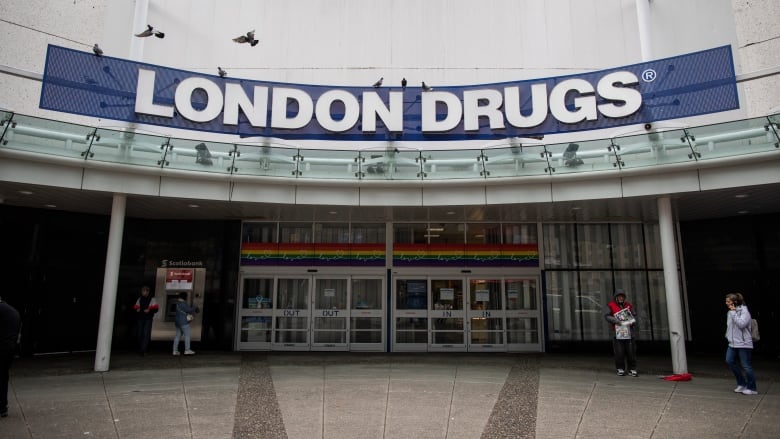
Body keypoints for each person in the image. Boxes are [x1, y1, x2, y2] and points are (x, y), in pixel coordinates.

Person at [724, 293, 757, 395]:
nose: (726, 303)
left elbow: (742, 324)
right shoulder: (730, 312)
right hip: (732, 343)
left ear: (735, 302)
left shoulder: (744, 311)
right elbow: (730, 326)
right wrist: (728, 336)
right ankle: (741, 384)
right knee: (729, 361)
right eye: (726, 301)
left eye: (728, 301)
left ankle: (752, 388)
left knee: (746, 365)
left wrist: (734, 313)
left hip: (744, 343)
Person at [604, 289, 638, 377]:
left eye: (622, 297)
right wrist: (615, 321)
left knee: (631, 352)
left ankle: (632, 369)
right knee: (619, 352)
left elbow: (634, 315)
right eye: (619, 296)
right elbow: (607, 316)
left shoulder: (629, 305)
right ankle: (620, 368)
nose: (621, 298)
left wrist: (633, 321)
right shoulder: (610, 305)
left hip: (629, 333)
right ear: (616, 297)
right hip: (618, 333)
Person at [0, 297, 21, 418]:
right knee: (3, 377)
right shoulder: (13, 311)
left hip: (1, 348)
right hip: (10, 349)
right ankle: (3, 407)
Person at [133, 286, 159, 355]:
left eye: (144, 291)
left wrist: (149, 311)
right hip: (140, 318)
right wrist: (136, 310)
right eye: (142, 291)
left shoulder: (152, 299)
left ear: (147, 292)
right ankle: (143, 348)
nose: (143, 292)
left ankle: (143, 350)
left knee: (146, 334)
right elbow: (135, 307)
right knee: (139, 334)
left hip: (148, 318)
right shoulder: (139, 299)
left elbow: (156, 309)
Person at [172, 292, 199, 356]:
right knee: (187, 336)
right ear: (185, 297)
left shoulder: (177, 303)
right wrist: (195, 307)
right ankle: (187, 350)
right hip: (184, 322)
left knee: (177, 336)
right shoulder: (183, 303)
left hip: (177, 322)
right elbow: (189, 310)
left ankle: (174, 351)